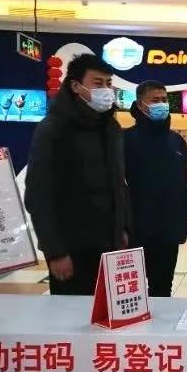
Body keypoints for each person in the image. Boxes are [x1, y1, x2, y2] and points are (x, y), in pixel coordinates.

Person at [25, 53, 128, 295]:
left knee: (107, 309)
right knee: (72, 313)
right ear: (75, 86)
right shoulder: (53, 129)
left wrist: (123, 229)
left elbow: (118, 185)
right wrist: (55, 252)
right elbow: (39, 194)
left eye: (109, 84)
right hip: (72, 248)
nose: (106, 91)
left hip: (109, 245)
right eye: (98, 83)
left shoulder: (111, 128)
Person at [124, 80, 187, 297]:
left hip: (169, 229)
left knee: (163, 286)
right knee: (132, 289)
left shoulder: (176, 141)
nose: (161, 104)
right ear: (140, 104)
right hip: (137, 229)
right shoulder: (126, 139)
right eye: (155, 100)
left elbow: (185, 181)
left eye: (164, 100)